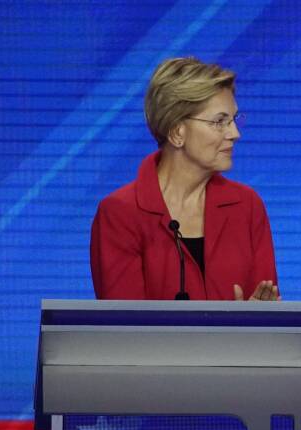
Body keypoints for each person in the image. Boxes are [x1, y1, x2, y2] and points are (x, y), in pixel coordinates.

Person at [91, 57, 279, 301]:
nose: (235, 134)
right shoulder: (120, 214)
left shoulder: (246, 206)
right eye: (219, 122)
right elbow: (124, 328)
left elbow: (269, 311)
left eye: (233, 120)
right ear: (177, 132)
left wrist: (259, 321)